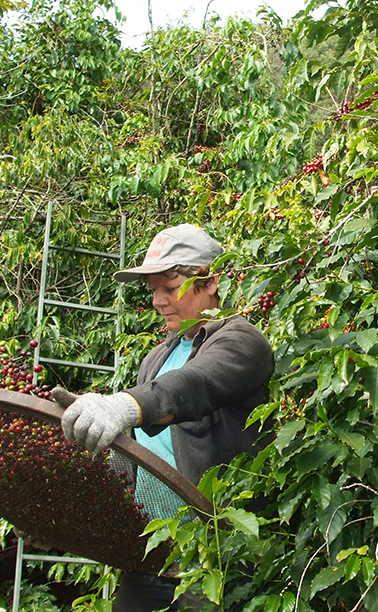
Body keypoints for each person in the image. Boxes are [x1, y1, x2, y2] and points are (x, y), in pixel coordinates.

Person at [52, 223, 274, 612]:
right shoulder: (153, 360)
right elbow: (137, 456)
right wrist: (63, 510)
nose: (157, 300)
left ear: (210, 283)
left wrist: (123, 406)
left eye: (168, 288)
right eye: (153, 289)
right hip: (151, 557)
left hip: (215, 557)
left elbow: (194, 384)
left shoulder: (242, 342)